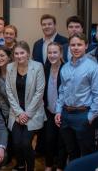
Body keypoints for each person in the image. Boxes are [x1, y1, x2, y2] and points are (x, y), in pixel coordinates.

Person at [55, 33, 98, 161]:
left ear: (86, 46)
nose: (76, 48)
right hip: (65, 115)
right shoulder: (65, 67)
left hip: (83, 115)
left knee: (87, 152)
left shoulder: (93, 68)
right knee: (71, 152)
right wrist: (58, 110)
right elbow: (62, 91)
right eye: (73, 45)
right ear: (69, 47)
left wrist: (91, 116)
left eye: (79, 44)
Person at [5, 41, 46, 171]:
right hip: (16, 112)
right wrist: (19, 113)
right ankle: (21, 165)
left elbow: (39, 92)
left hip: (33, 112)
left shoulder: (38, 67)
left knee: (25, 143)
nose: (19, 56)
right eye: (16, 53)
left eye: (22, 53)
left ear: (28, 53)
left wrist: (27, 114)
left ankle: (30, 168)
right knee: (16, 143)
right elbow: (9, 92)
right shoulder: (10, 67)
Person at [43, 42, 67, 171]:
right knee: (49, 140)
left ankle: (60, 167)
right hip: (49, 111)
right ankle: (48, 165)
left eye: (55, 52)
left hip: (63, 112)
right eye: (49, 52)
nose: (52, 55)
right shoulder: (45, 69)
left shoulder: (66, 68)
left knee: (61, 141)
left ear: (61, 54)